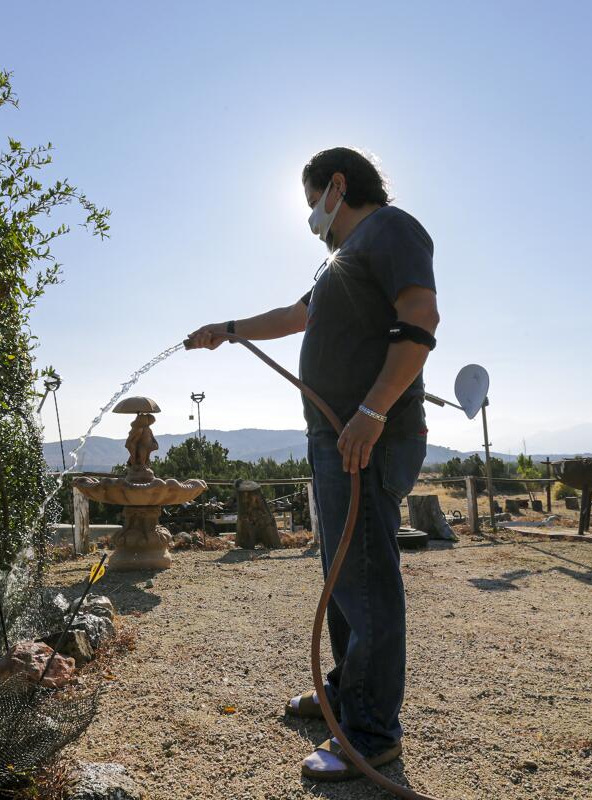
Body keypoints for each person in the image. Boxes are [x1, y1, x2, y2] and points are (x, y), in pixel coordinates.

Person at [187, 146, 439, 782]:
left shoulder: (393, 228)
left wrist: (374, 411)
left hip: (365, 433)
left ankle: (372, 736)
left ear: (336, 184)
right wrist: (230, 328)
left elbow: (422, 317)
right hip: (338, 435)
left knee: (365, 579)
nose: (312, 217)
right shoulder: (339, 262)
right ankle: (343, 698)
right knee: (341, 574)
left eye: (312, 203)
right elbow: (297, 316)